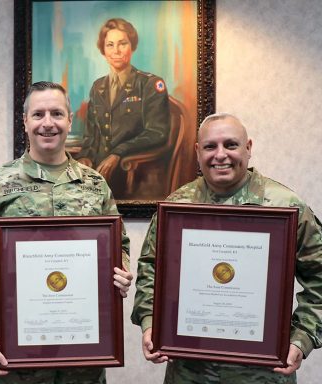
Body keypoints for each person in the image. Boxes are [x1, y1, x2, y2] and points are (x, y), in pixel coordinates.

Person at [0, 81, 132, 383]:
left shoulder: (94, 184)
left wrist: (122, 271)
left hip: (84, 358)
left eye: (56, 114)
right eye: (38, 115)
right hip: (20, 361)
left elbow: (119, 245)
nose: (47, 123)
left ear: (70, 120)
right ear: (25, 122)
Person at [131, 113, 322, 383]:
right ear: (198, 152)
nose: (220, 155)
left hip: (262, 373)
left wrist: (301, 339)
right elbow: (151, 269)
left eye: (230, 145)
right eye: (210, 146)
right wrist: (151, 321)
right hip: (190, 371)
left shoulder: (286, 207)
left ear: (249, 147)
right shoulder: (177, 207)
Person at [76, 18, 171, 199]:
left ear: (132, 47)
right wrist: (84, 158)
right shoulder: (98, 87)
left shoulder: (150, 84)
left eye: (122, 44)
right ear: (103, 50)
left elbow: (157, 132)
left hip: (133, 173)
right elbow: (90, 136)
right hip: (98, 176)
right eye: (110, 45)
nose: (116, 51)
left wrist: (118, 153)